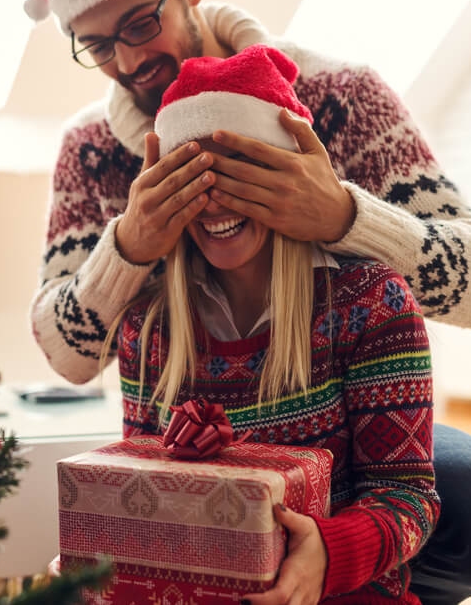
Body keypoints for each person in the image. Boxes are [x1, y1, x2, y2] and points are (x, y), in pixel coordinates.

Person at [23, 0, 471, 603]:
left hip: (341, 407)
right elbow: (67, 357)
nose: (126, 62)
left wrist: (346, 218)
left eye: (141, 24)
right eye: (94, 46)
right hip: (196, 411)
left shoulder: (342, 94)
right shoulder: (90, 151)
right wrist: (129, 246)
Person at [111, 43, 439, 604]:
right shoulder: (149, 327)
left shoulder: (371, 304)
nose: (214, 204)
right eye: (191, 177)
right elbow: (148, 493)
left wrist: (328, 554)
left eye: (239, 173)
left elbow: (407, 498)